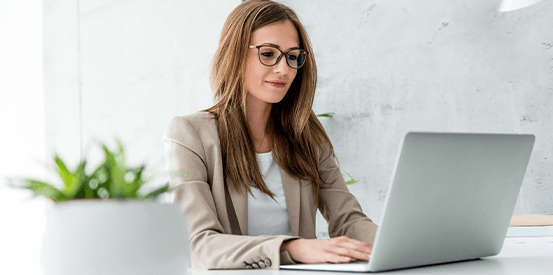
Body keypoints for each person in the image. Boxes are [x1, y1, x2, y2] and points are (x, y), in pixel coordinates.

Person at [163, 0, 378, 270]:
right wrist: (291, 247)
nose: (284, 70)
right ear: (235, 53)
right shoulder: (189, 134)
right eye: (268, 53)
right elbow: (199, 245)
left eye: (292, 56)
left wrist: (393, 243)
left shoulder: (305, 133)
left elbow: (349, 220)